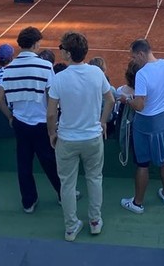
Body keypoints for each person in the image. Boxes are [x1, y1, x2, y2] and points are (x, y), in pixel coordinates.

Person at [47, 31, 114, 242]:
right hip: (92, 138)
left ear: (68, 53)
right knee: (94, 178)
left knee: (67, 184)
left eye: (62, 49)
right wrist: (102, 121)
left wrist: (52, 133)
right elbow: (110, 100)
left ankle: (71, 227)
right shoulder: (96, 73)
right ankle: (95, 221)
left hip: (67, 139)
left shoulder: (59, 78)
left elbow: (51, 113)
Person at [0, 26, 61, 213]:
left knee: (24, 163)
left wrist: (10, 117)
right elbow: (52, 97)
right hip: (42, 124)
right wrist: (53, 124)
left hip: (20, 123)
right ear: (35, 44)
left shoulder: (9, 68)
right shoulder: (45, 66)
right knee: (50, 161)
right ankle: (63, 194)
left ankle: (28, 201)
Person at [121, 38, 164, 213]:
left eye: (134, 57)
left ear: (141, 54)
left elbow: (139, 105)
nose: (133, 60)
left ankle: (137, 203)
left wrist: (127, 100)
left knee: (142, 164)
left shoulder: (142, 74)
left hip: (145, 125)